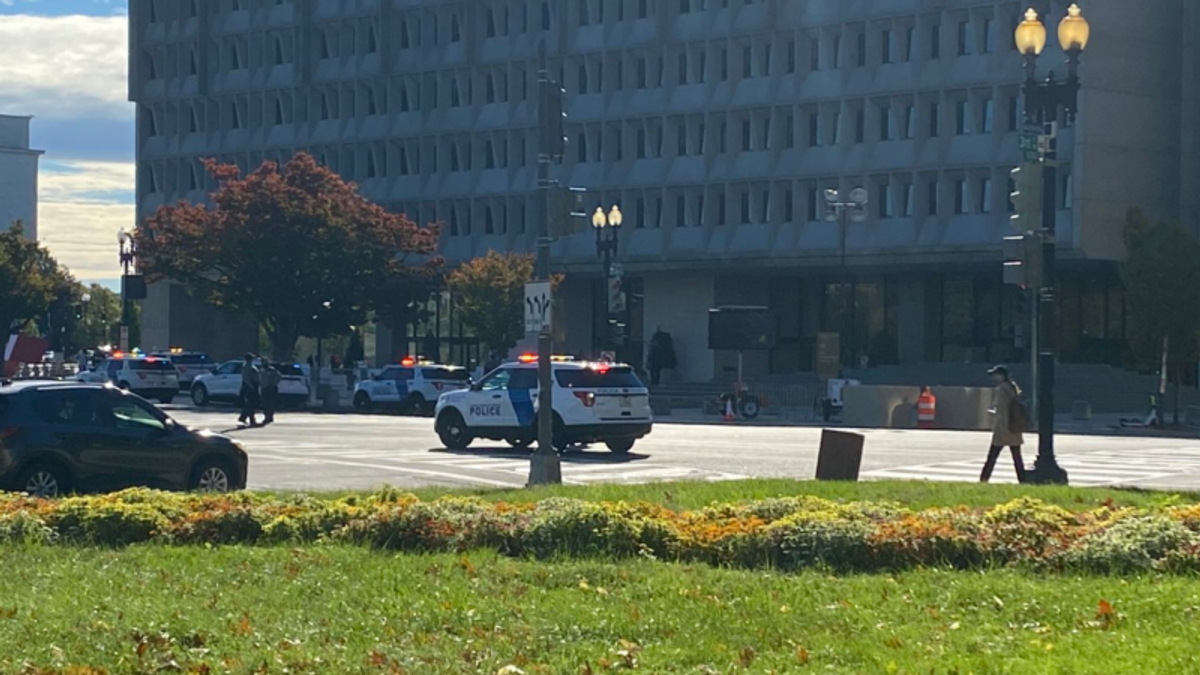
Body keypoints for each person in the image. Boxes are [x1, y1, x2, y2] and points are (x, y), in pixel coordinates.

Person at [981, 365, 1027, 483]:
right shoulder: (1012, 388)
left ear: (1002, 376)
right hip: (1014, 427)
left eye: (996, 374)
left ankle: (984, 479)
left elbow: (1002, 411)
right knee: (1017, 458)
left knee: (992, 457)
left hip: (1003, 429)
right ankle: (1023, 480)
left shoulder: (1001, 389)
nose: (994, 377)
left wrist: (1000, 428)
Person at [237, 353, 261, 428]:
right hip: (249, 387)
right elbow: (246, 378)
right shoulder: (246, 367)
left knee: (251, 404)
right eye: (251, 359)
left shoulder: (251, 366)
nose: (252, 360)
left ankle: (243, 417)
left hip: (253, 386)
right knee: (250, 403)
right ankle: (251, 420)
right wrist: (251, 386)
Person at [259, 358, 281, 426]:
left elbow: (279, 377)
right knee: (264, 403)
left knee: (270, 403)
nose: (263, 363)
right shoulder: (261, 370)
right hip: (264, 388)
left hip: (271, 388)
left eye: (265, 362)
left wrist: (274, 384)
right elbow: (260, 379)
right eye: (262, 362)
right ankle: (266, 416)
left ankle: (270, 416)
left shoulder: (272, 370)